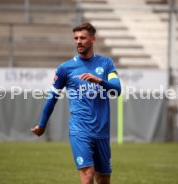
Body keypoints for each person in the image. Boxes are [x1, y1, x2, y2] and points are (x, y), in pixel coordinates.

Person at [31, 23, 121, 184]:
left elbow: (117, 90)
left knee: (103, 179)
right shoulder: (65, 68)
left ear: (93, 39)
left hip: (102, 131)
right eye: (76, 38)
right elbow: (52, 97)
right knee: (87, 176)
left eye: (83, 38)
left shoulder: (106, 64)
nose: (78, 41)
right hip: (80, 130)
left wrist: (99, 81)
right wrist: (42, 124)